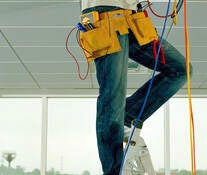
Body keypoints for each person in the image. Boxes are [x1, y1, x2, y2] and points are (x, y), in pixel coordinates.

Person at [79, 0, 192, 174]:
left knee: (181, 70)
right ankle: (114, 171)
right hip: (105, 13)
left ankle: (127, 115)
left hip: (132, 15)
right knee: (113, 95)